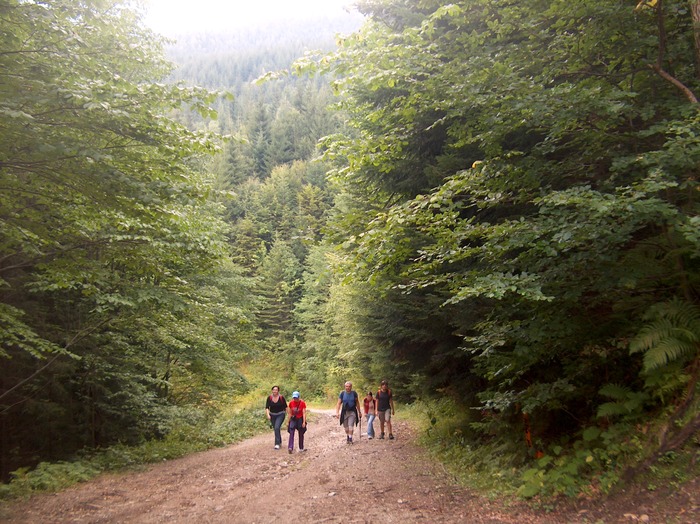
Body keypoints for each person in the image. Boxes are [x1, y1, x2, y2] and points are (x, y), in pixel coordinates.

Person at [265, 385, 287, 450]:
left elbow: (286, 407)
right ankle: (279, 441)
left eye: (276, 390)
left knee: (277, 427)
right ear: (272, 390)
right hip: (272, 415)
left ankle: (277, 444)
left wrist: (288, 415)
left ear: (278, 391)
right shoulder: (269, 398)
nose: (275, 391)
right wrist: (268, 415)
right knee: (276, 429)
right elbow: (267, 407)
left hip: (280, 414)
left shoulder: (281, 397)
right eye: (274, 390)